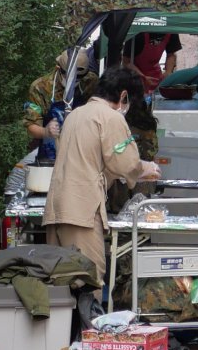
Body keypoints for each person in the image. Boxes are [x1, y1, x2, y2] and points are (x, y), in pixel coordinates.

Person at [43, 64, 160, 280]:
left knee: (61, 284)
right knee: (89, 279)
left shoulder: (76, 114)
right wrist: (147, 168)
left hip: (57, 207)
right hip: (81, 211)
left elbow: (91, 160)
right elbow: (126, 164)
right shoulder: (110, 117)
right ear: (124, 95)